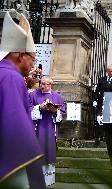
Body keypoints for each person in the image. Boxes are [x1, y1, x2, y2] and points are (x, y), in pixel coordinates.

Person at [0, 12, 46, 189]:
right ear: (20, 55)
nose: (33, 65)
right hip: (9, 159)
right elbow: (14, 125)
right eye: (32, 59)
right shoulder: (12, 77)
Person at [29, 76, 66, 186]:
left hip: (50, 128)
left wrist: (55, 111)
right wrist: (40, 107)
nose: (44, 86)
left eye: (46, 84)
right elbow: (28, 108)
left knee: (48, 151)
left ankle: (48, 181)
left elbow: (62, 113)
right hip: (37, 128)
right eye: (42, 83)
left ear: (51, 85)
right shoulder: (33, 94)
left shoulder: (57, 96)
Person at [93, 66, 112, 143]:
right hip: (101, 102)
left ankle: (107, 136)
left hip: (111, 103)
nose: (111, 73)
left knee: (108, 120)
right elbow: (97, 91)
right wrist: (95, 100)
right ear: (107, 71)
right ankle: (98, 136)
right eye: (110, 71)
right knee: (99, 119)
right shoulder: (101, 79)